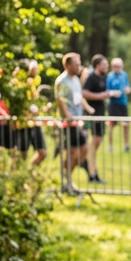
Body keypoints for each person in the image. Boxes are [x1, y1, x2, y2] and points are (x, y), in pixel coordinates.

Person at [54, 52, 88, 192]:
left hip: (78, 122)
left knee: (82, 149)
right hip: (68, 124)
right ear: (67, 65)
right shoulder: (62, 81)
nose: (79, 67)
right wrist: (67, 115)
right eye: (76, 64)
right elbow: (59, 99)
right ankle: (66, 182)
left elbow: (79, 97)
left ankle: (67, 178)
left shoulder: (75, 80)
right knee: (72, 152)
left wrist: (88, 109)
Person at [80, 54, 111, 183]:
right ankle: (90, 167)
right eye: (104, 64)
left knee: (97, 141)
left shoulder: (104, 77)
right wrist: (101, 96)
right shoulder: (91, 78)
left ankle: (89, 164)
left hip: (101, 113)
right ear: (97, 65)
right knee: (94, 141)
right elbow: (84, 93)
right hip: (91, 115)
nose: (107, 66)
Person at [105, 57, 131, 153]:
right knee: (112, 125)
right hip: (113, 104)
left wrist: (128, 90)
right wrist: (113, 93)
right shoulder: (110, 76)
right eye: (115, 66)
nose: (117, 68)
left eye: (119, 66)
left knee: (125, 125)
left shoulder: (124, 75)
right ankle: (110, 145)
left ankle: (126, 145)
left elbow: (128, 87)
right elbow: (106, 90)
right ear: (112, 67)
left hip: (123, 103)